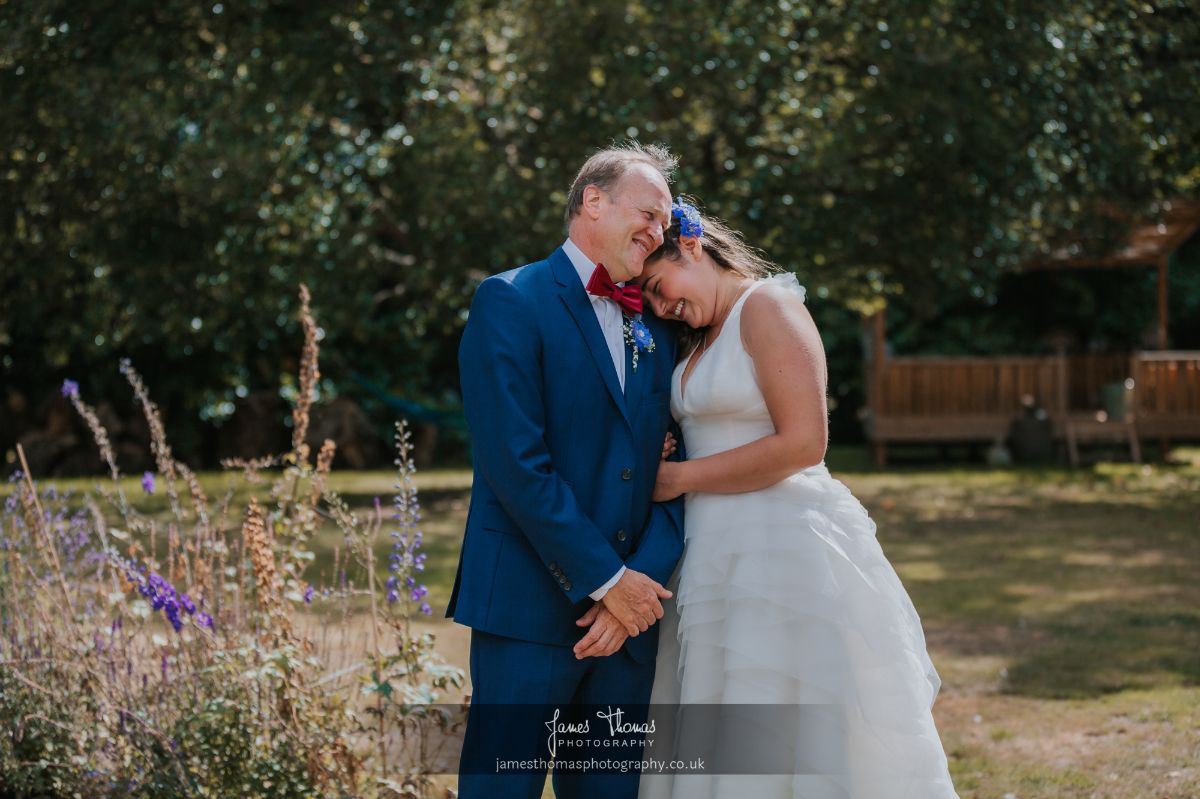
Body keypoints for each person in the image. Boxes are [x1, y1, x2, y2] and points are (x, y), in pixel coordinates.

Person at [635, 200, 959, 798]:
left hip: (777, 551)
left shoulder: (768, 308)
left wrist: (679, 478)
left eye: (659, 286)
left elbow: (805, 443)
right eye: (650, 300)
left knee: (784, 724)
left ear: (691, 246)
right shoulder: (698, 335)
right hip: (709, 555)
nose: (660, 307)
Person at [448, 143, 687, 799]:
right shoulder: (510, 300)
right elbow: (515, 464)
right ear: (593, 201)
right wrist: (606, 581)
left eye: (666, 222)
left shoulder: (658, 324)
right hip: (527, 608)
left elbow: (679, 463)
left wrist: (638, 586)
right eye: (648, 213)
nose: (658, 232)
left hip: (630, 625)